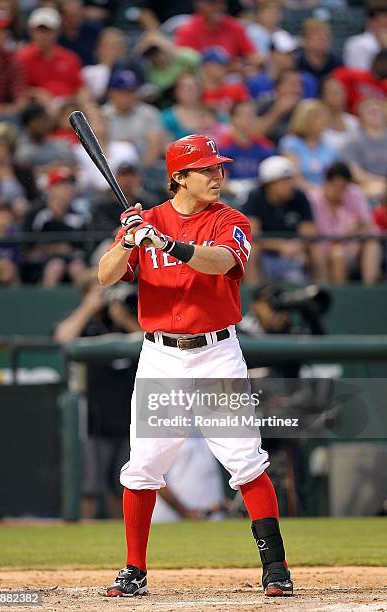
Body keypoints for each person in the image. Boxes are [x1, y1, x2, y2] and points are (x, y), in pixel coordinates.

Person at [98, 134, 293, 598]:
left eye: (218, 168)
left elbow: (222, 261)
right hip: (161, 354)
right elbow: (106, 276)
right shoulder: (146, 221)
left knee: (245, 461)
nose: (217, 176)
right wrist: (129, 239)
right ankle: (134, 570)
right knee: (144, 465)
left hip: (216, 352)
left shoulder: (230, 219)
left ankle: (276, 568)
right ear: (179, 178)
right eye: (206, 169)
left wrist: (167, 243)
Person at [54, 270, 140, 518]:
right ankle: (83, 535)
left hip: (126, 409)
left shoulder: (122, 316)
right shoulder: (83, 319)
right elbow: (62, 337)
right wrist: (88, 307)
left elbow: (151, 340)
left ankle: (120, 540)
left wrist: (124, 320)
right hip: (92, 412)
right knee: (89, 486)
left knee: (123, 485)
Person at [241, 155, 325, 284]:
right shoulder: (255, 197)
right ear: (269, 184)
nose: (290, 185)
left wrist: (297, 245)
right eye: (284, 181)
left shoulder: (299, 196)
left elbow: (309, 231)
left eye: (290, 180)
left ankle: (320, 291)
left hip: (296, 250)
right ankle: (254, 295)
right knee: (251, 251)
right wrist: (280, 246)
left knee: (317, 249)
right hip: (267, 251)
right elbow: (252, 234)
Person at [309, 162, 381, 285]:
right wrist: (345, 235)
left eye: (343, 187)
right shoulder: (313, 200)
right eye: (336, 186)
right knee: (337, 254)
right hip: (324, 248)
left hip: (351, 246)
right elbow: (315, 234)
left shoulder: (354, 194)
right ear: (326, 183)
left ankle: (369, 290)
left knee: (372, 243)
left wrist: (354, 237)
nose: (339, 191)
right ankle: (341, 297)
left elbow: (368, 226)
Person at [22, 167, 86, 286]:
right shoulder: (36, 212)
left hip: (70, 260)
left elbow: (83, 248)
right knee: (56, 266)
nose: (67, 189)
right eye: (61, 185)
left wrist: (68, 250)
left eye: (70, 185)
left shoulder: (77, 215)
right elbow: (27, 246)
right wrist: (50, 249)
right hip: (40, 264)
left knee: (77, 268)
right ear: (51, 188)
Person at [17, 7, 89, 109]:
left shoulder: (70, 57)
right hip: (39, 109)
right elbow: (19, 90)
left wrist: (83, 103)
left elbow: (81, 87)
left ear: (57, 32)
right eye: (40, 30)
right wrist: (38, 94)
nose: (44, 35)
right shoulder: (22, 58)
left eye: (48, 30)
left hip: (69, 106)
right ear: (31, 31)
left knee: (92, 110)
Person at [0, 122, 39, 222]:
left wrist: (28, 207)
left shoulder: (23, 170)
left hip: (24, 219)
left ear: (9, 150)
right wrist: (9, 210)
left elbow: (35, 197)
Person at [279, 99, 337, 190]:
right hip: (303, 195)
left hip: (327, 196)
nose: (324, 123)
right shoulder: (291, 143)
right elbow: (294, 178)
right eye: (320, 119)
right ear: (306, 120)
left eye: (325, 120)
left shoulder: (330, 147)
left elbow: (335, 178)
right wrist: (317, 193)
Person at [339, 98, 387, 201]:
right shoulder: (353, 142)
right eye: (370, 111)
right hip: (369, 185)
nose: (375, 112)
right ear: (360, 117)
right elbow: (356, 173)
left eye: (378, 110)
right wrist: (383, 182)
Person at [175, 0, 256, 59]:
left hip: (232, 76)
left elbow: (252, 56)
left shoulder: (235, 27)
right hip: (201, 77)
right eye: (212, 3)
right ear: (199, 5)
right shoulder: (188, 30)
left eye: (221, 3)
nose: (218, 7)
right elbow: (182, 60)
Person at [343, 1, 387, 70]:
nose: (384, 27)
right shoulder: (356, 43)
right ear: (370, 22)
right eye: (381, 23)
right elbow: (358, 72)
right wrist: (383, 47)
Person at [320, 77, 359, 154]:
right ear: (323, 96)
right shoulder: (316, 123)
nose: (339, 95)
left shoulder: (353, 121)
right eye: (333, 92)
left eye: (342, 91)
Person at [296, 19, 341, 83]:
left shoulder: (337, 63)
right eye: (319, 37)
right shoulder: (296, 63)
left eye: (327, 37)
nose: (324, 41)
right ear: (305, 39)